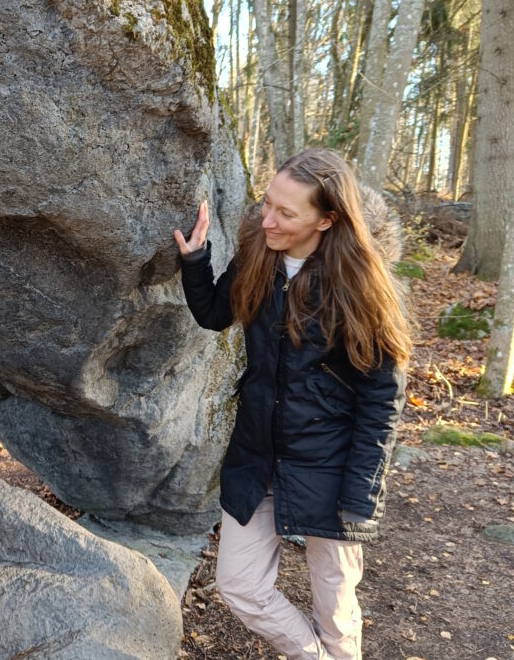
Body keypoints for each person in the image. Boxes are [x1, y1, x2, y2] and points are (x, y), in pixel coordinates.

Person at [173, 149, 411, 659]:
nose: (268, 219)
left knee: (336, 609)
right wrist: (195, 260)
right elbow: (216, 313)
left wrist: (362, 495)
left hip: (332, 464)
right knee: (240, 585)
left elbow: (382, 400)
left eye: (286, 212)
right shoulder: (260, 249)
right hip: (258, 455)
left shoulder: (363, 287)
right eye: (267, 203)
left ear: (327, 220)